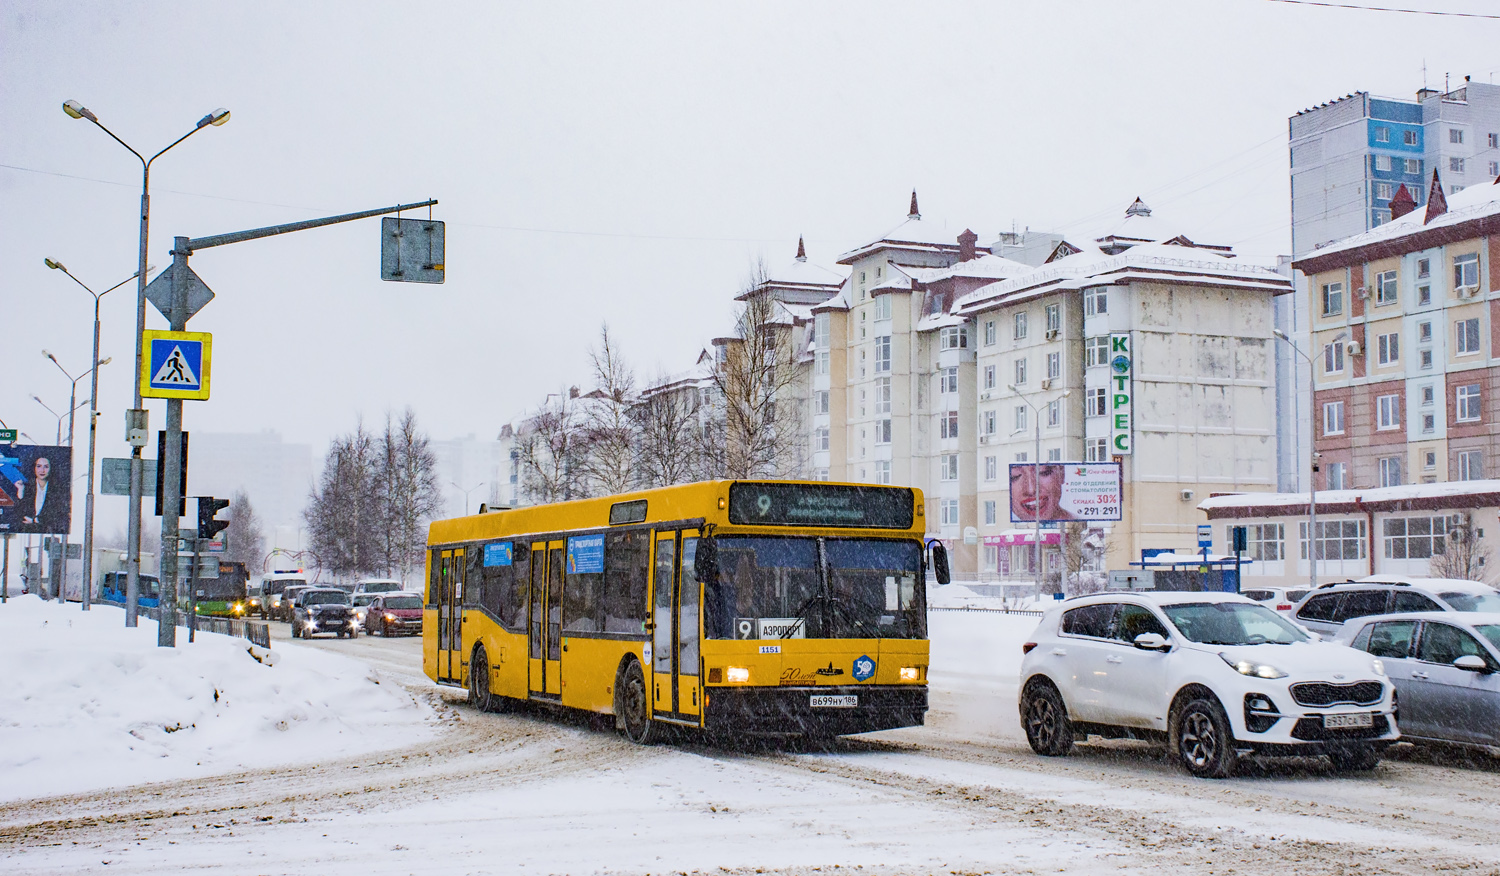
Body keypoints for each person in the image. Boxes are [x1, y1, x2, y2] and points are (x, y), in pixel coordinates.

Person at [15, 456, 68, 533]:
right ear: (34, 468)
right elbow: (19, 513)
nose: (42, 470)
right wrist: (20, 490)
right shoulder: (27, 487)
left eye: (46, 467)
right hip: (28, 531)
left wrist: (34, 520)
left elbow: (57, 514)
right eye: (39, 466)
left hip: (49, 531)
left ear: (51, 469)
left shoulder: (57, 489)